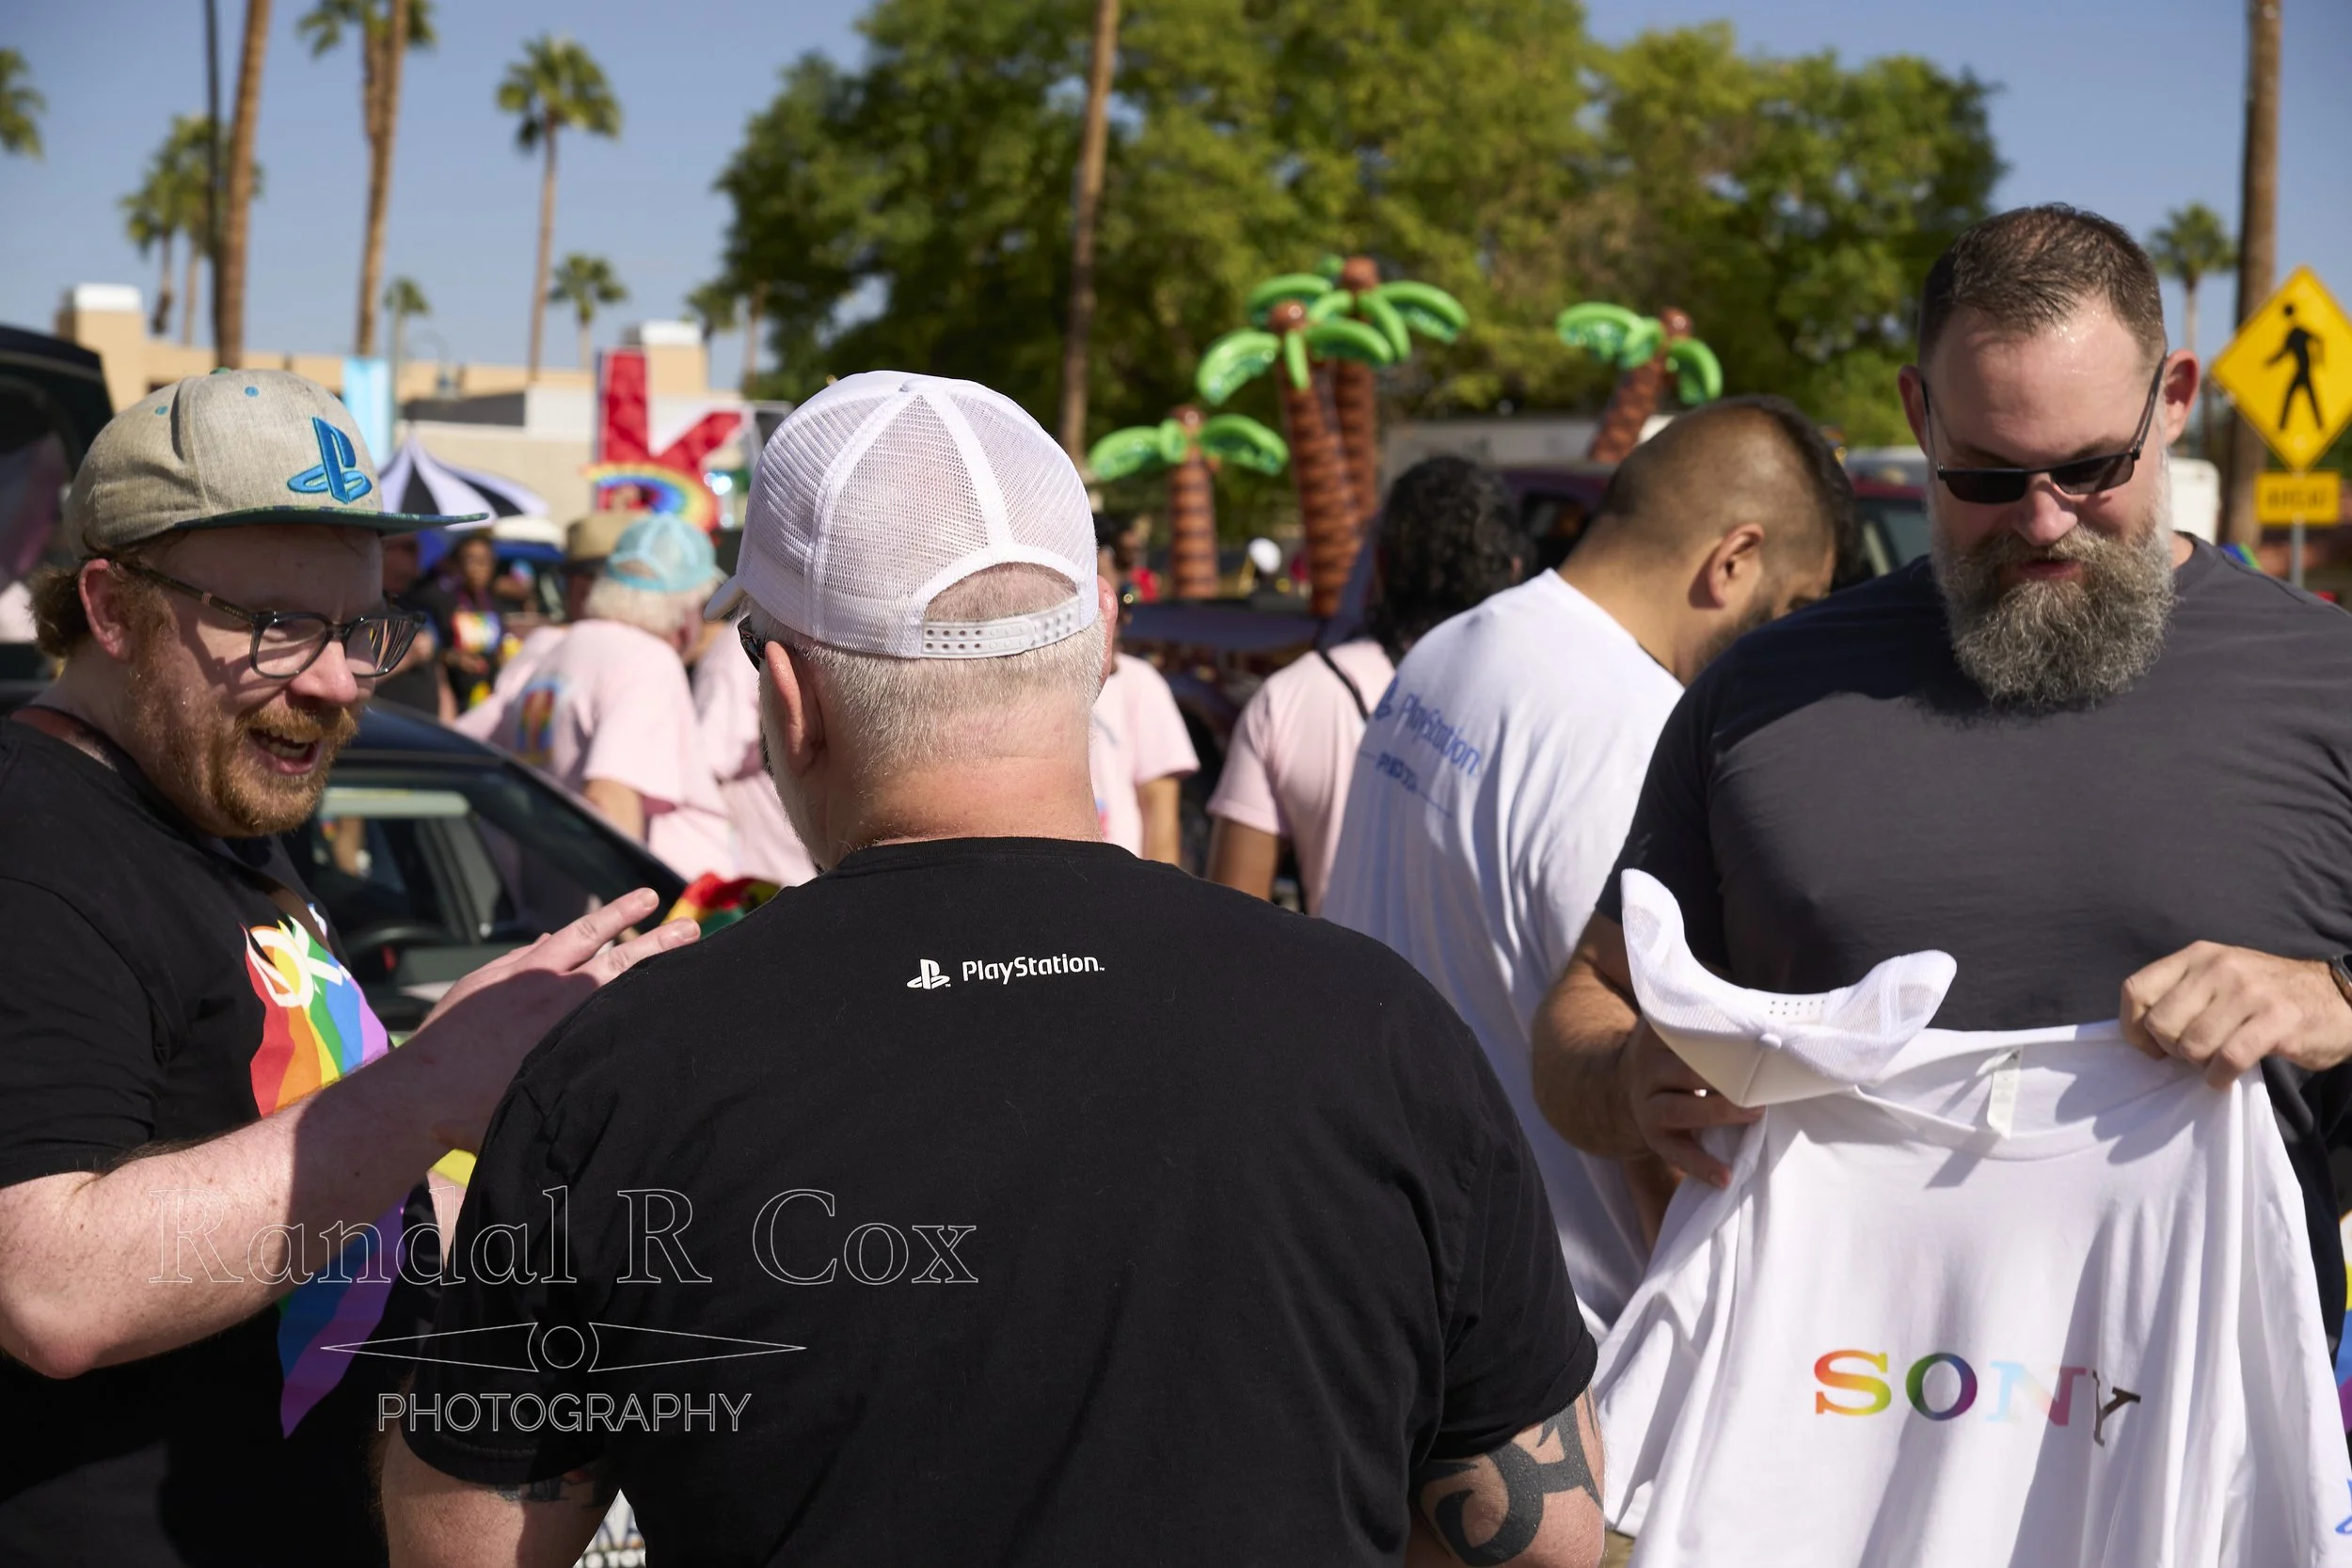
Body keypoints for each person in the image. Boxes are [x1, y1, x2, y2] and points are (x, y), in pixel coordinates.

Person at [380, 371, 1607, 1568]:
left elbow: (462, 1541)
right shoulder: (1378, 1028)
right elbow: (1545, 1529)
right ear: (1097, 647)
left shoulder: (622, 1069)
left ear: (792, 696)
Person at [1533, 204, 2352, 1394]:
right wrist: (1625, 1079)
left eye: (2091, 467)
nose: (2041, 517)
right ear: (1919, 416)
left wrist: (2335, 997)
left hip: (2202, 1436)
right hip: (1837, 1425)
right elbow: (1585, 1002)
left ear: (2173, 398)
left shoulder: (2329, 687)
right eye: (1985, 473)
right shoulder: (1757, 697)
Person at [0, 369, 695, 1566]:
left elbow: (308, 1185)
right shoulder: (35, 844)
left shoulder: (207, 809)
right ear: (110, 607)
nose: (332, 680)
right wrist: (424, 1089)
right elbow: (50, 1284)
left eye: (358, 627)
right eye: (274, 621)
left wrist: (577, 1211)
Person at [1323, 397, 1851, 1337]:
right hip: (1560, 1340)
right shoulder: (1635, 732)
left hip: (1389, 1276)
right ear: (1733, 560)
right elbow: (1667, 1108)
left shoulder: (1451, 647)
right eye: (1795, 607)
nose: (1787, 642)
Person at [1207, 456, 1524, 912]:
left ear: (1379, 564)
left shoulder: (1294, 698)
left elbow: (1231, 919)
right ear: (1513, 571)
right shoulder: (1545, 707)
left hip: (1339, 959)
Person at [477, 514, 734, 879]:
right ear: (684, 613)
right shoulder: (646, 659)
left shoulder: (554, 648)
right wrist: (633, 909)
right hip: (666, 905)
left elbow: (462, 742)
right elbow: (610, 802)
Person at [688, 603, 818, 886]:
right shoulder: (750, 641)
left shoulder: (730, 655)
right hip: (782, 860)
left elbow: (708, 763)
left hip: (773, 862)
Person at [373, 531, 452, 719]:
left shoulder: (421, 604)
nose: (419, 554)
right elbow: (355, 680)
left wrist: (448, 724)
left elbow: (439, 677)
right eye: (410, 548)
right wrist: (408, 656)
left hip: (429, 728)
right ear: (382, 551)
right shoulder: (363, 608)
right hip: (385, 725)